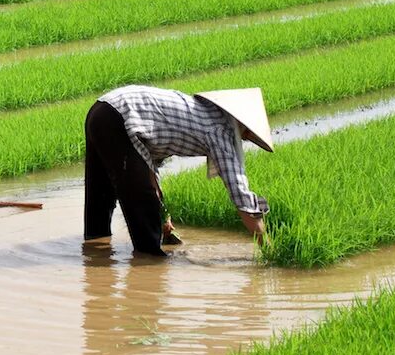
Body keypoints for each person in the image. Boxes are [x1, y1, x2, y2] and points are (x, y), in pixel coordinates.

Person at [84, 86, 274, 256]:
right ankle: (148, 266)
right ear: (244, 126)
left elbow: (147, 164)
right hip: (119, 118)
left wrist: (164, 215)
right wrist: (266, 244)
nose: (246, 139)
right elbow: (240, 194)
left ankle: (93, 254)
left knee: (100, 194)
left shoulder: (204, 113)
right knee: (142, 205)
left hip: (101, 110)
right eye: (248, 135)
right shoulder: (219, 131)